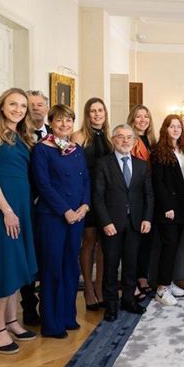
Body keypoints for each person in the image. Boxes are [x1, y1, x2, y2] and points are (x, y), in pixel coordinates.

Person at [0, 88, 38, 354]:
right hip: (5, 209)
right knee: (5, 265)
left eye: (22, 106)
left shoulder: (21, 136)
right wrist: (6, 210)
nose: (18, 109)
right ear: (2, 106)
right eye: (12, 104)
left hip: (22, 208)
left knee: (18, 264)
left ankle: (13, 320)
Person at [31, 104, 90, 338]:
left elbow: (86, 179)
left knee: (70, 267)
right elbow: (43, 185)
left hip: (78, 216)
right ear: (51, 123)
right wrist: (65, 210)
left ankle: (68, 316)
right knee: (52, 267)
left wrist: (85, 205)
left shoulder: (76, 149)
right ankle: (51, 323)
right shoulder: (41, 150)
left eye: (69, 121)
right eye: (59, 121)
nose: (65, 125)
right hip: (53, 217)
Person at [93, 124, 154, 322]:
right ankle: (111, 305)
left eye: (129, 137)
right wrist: (105, 222)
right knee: (110, 266)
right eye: (121, 136)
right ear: (113, 140)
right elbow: (98, 197)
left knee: (131, 264)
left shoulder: (142, 165)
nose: (125, 140)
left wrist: (147, 218)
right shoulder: (103, 163)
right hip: (112, 224)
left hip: (136, 223)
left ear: (135, 141)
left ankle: (128, 299)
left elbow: (148, 195)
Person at [72, 97, 112, 311]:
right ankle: (87, 289)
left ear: (105, 114)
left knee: (104, 246)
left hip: (105, 197)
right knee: (88, 242)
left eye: (100, 111)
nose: (97, 114)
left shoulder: (109, 137)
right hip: (85, 195)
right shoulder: (79, 136)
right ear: (87, 115)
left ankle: (100, 287)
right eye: (92, 111)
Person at [18, 89, 52, 326]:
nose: (36, 108)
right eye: (31, 104)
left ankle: (48, 302)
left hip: (52, 207)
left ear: (47, 108)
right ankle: (29, 306)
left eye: (40, 104)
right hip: (28, 202)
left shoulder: (55, 134)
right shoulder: (19, 135)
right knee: (28, 253)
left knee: (46, 254)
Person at [150, 114, 184, 306]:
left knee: (175, 247)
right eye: (172, 126)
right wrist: (167, 206)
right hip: (168, 209)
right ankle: (161, 289)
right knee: (168, 247)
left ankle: (169, 281)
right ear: (165, 129)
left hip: (183, 207)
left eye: (178, 126)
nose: (176, 130)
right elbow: (158, 182)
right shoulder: (159, 151)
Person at [126, 104, 157, 298]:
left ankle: (142, 276)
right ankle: (133, 280)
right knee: (134, 240)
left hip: (150, 194)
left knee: (147, 239)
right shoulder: (130, 139)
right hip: (135, 194)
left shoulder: (152, 140)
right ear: (132, 119)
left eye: (146, 116)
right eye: (138, 116)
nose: (143, 120)